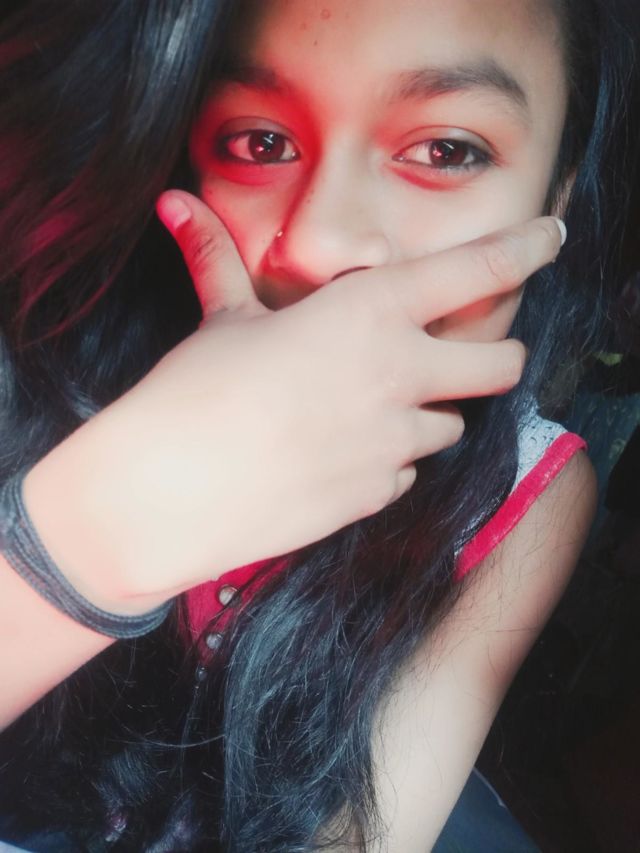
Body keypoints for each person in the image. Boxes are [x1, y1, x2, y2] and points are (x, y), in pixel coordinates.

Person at [0, 0, 636, 850]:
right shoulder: (52, 339)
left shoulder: (527, 494)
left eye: (446, 151)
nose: (321, 244)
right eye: (261, 142)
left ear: (557, 190)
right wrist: (117, 520)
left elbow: (369, 830)